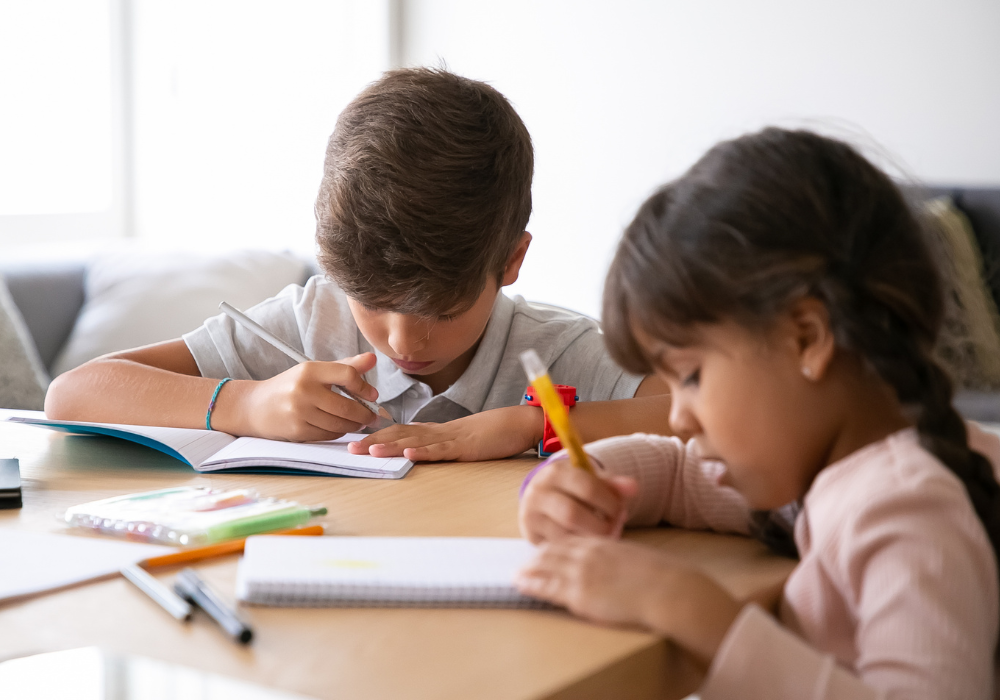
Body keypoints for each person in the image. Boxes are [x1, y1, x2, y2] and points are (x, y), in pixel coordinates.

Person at [515, 127, 1000, 699]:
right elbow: (680, 473)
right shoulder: (827, 470)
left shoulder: (905, 510)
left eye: (692, 376)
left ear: (805, 339)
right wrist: (580, 479)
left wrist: (693, 611)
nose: (679, 418)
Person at [44, 68, 668, 461]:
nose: (402, 341)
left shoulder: (556, 352)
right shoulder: (310, 324)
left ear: (511, 261)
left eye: (441, 310)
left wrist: (527, 427)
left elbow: (704, 418)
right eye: (371, 301)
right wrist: (245, 404)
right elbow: (72, 394)